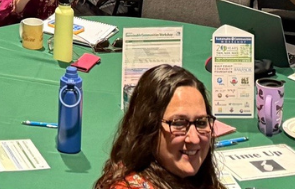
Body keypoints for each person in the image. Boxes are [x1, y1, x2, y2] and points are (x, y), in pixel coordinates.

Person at [94, 64, 223, 189]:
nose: (194, 139)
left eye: (201, 122)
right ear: (149, 127)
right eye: (179, 123)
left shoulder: (196, 179)